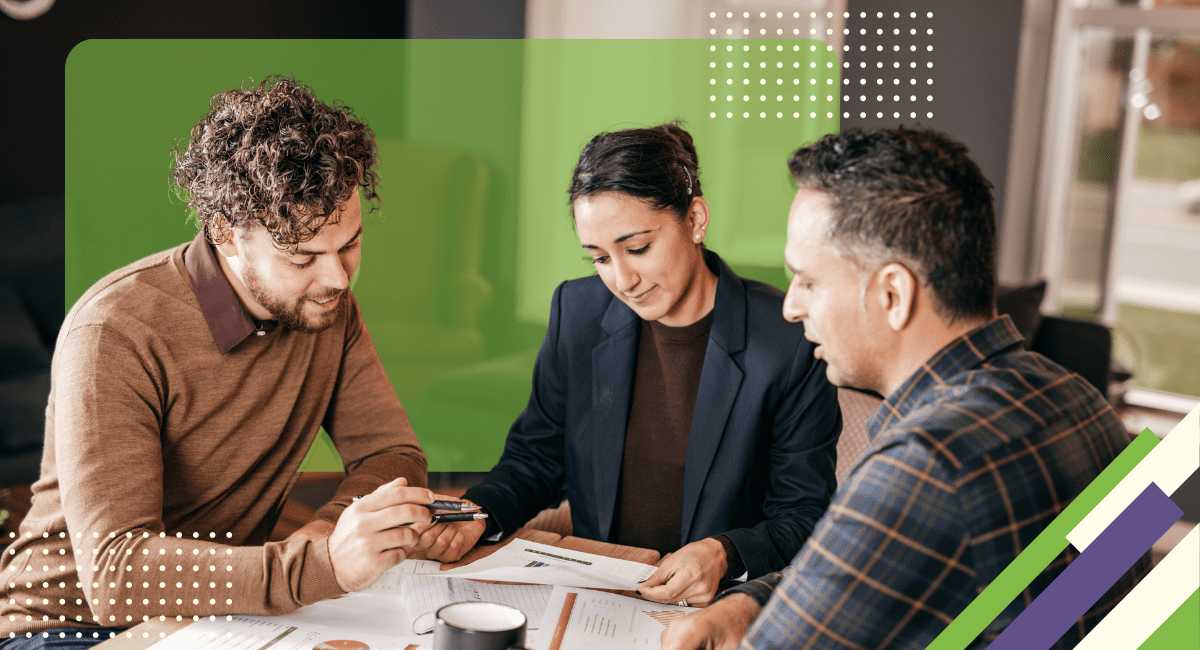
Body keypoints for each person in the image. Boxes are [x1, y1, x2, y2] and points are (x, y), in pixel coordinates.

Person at [660, 128, 1149, 650]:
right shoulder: (1082, 402)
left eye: (807, 281)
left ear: (893, 293)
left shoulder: (925, 464)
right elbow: (872, 569)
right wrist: (750, 601)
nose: (791, 306)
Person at [0, 77, 445, 648]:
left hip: (226, 612)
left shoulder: (325, 305)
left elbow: (393, 454)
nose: (336, 278)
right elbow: (116, 575)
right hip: (68, 627)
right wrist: (319, 565)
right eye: (303, 256)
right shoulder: (114, 331)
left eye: (349, 245)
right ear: (225, 234)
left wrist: (326, 532)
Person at [424, 123, 842, 607]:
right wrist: (476, 511)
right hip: (597, 598)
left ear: (696, 219)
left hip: (715, 608)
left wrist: (725, 552)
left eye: (638, 248)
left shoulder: (787, 338)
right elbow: (536, 458)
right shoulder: (576, 313)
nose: (622, 280)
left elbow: (803, 512)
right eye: (599, 258)